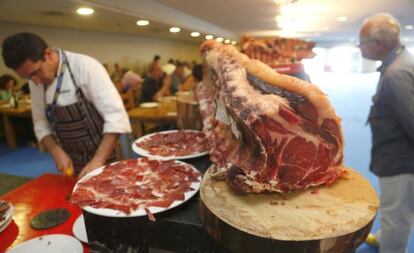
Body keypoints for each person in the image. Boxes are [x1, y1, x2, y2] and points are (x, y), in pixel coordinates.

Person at [2, 32, 131, 178]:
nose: (35, 81)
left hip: (106, 156)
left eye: (36, 72)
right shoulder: (35, 80)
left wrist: (98, 160)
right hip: (72, 160)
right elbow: (40, 123)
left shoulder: (85, 66)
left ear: (48, 54)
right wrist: (56, 151)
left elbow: (116, 117)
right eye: (27, 78)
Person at [359, 13, 414, 253]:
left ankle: (391, 246)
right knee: (396, 209)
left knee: (396, 216)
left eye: (362, 42)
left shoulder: (396, 74)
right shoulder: (400, 61)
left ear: (378, 44)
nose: (360, 47)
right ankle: (385, 237)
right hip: (396, 153)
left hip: (399, 161)